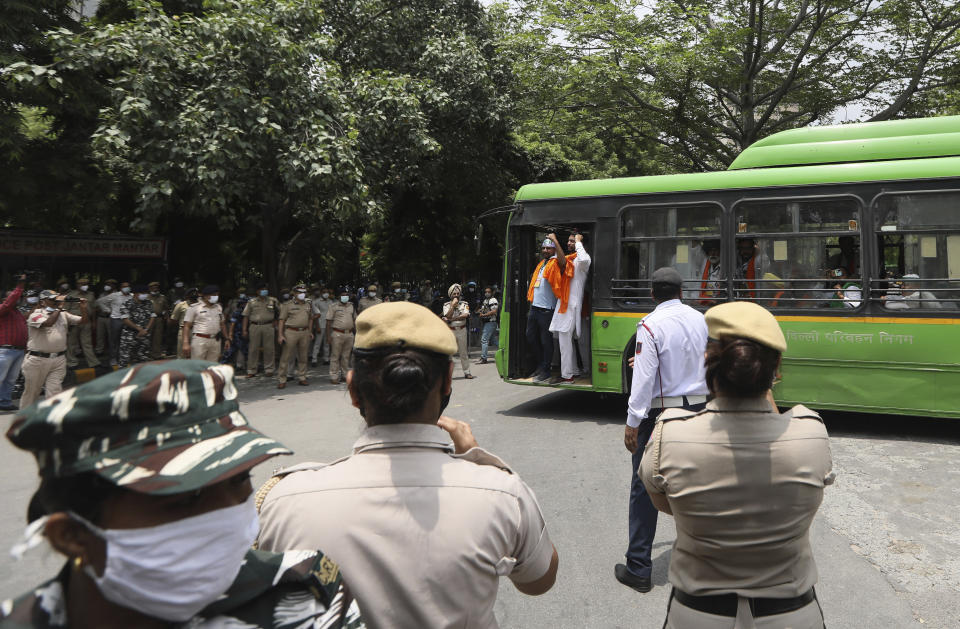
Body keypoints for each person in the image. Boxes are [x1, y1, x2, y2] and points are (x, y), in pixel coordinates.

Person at [257, 302, 559, 628]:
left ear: (353, 389)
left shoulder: (283, 501)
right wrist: (479, 460)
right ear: (446, 384)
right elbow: (538, 581)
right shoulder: (502, 494)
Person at [3, 360, 364, 628]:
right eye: (186, 496)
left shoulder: (307, 590)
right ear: (71, 536)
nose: (232, 515)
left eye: (239, 480)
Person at [641, 301, 834, 628]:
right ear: (777, 368)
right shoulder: (811, 433)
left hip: (697, 617)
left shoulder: (669, 435)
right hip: (792, 616)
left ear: (709, 362)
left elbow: (664, 502)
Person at [616, 267, 709, 594]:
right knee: (694, 482)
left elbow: (642, 381)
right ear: (681, 292)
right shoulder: (701, 320)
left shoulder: (649, 325)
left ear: (653, 294)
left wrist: (632, 421)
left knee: (645, 484)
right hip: (699, 408)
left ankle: (639, 567)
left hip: (660, 414)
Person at [21, 290, 88, 409]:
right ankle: (23, 422)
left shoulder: (63, 313)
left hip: (58, 359)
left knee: (55, 393)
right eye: (52, 299)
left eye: (56, 299)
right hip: (37, 360)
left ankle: (51, 422)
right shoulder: (35, 314)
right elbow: (48, 323)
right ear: (42, 302)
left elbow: (83, 321)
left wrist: (83, 308)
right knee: (32, 393)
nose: (55, 301)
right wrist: (60, 307)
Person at [526, 234, 572, 382]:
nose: (545, 250)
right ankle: (541, 365)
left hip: (547, 309)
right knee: (531, 337)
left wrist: (555, 241)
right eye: (544, 248)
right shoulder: (542, 263)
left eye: (549, 248)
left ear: (554, 250)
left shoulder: (555, 263)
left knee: (546, 341)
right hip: (535, 308)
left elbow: (563, 260)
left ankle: (546, 370)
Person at [549, 231, 591, 383]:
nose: (569, 243)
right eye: (569, 241)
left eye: (572, 241)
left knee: (565, 342)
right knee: (563, 341)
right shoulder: (569, 260)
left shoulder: (581, 261)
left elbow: (585, 259)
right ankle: (572, 371)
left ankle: (568, 376)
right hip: (564, 304)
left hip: (571, 305)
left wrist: (578, 242)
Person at [277, 284, 312, 389]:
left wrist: (310, 331)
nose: (302, 294)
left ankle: (302, 377)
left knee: (303, 356)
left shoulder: (308, 304)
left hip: (304, 332)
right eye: (300, 292)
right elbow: (281, 320)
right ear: (295, 293)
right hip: (291, 332)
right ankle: (282, 379)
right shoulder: (288, 305)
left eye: (304, 292)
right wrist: (280, 335)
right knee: (286, 356)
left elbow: (311, 318)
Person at [0, 274, 27, 411]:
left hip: (18, 350)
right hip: (5, 350)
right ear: (5, 299)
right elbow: (10, 302)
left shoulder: (18, 313)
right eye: (12, 297)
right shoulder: (2, 309)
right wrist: (20, 286)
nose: (16, 299)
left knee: (10, 380)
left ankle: (4, 403)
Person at [182, 285, 229, 361]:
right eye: (214, 295)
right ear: (205, 296)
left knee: (212, 366)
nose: (216, 297)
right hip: (200, 340)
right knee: (197, 366)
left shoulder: (218, 307)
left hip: (215, 340)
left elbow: (222, 324)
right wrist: (185, 343)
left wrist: (227, 339)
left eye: (217, 295)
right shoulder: (194, 308)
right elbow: (187, 326)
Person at [242, 283, 278, 377]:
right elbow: (246, 316)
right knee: (253, 349)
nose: (264, 291)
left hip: (269, 325)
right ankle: (251, 370)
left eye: (265, 289)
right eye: (261, 289)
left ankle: (269, 369)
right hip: (255, 326)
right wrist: (244, 330)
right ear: (257, 291)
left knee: (269, 349)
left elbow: (281, 312)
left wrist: (276, 321)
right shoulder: (251, 302)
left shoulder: (273, 300)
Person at [118, 284, 155, 368]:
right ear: (135, 293)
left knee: (143, 358)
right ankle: (123, 379)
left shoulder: (149, 303)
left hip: (144, 335)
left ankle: (140, 378)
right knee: (125, 358)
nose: (145, 295)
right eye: (142, 293)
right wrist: (139, 329)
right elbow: (125, 319)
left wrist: (146, 329)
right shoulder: (127, 303)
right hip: (129, 336)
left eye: (146, 293)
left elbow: (152, 316)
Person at [442, 283, 474, 379]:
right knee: (449, 353)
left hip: (462, 329)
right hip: (451, 331)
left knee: (463, 352)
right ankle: (448, 374)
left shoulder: (464, 304)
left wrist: (452, 319)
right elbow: (447, 315)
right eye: (454, 294)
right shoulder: (446, 305)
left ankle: (467, 372)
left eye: (457, 293)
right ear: (450, 295)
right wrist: (453, 306)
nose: (456, 295)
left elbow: (465, 315)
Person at [65, 276, 98, 368]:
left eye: (86, 284)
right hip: (74, 321)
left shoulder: (91, 295)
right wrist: (67, 323)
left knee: (87, 342)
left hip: (87, 321)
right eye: (82, 284)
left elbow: (94, 309)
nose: (84, 286)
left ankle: (93, 362)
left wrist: (94, 322)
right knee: (72, 343)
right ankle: (71, 362)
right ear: (77, 285)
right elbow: (66, 309)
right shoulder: (71, 295)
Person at [325, 288, 356, 385]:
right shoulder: (333, 306)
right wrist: (328, 336)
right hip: (337, 333)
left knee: (346, 356)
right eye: (343, 295)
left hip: (349, 334)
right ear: (339, 296)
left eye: (346, 295)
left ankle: (344, 375)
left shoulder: (352, 306)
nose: (345, 297)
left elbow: (355, 320)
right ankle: (334, 376)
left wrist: (356, 334)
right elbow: (328, 322)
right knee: (335, 355)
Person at [103, 281, 132, 366]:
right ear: (121, 288)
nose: (126, 288)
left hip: (128, 320)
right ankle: (113, 358)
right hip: (116, 319)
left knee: (126, 340)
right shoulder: (114, 295)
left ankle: (124, 357)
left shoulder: (132, 296)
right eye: (124, 286)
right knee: (114, 340)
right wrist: (109, 311)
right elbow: (101, 302)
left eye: (128, 286)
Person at [169, 287, 198, 359]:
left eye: (195, 294)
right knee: (182, 354)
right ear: (187, 296)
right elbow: (174, 319)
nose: (194, 295)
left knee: (195, 354)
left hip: (197, 331)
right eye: (191, 294)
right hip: (183, 330)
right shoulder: (181, 305)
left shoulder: (201, 305)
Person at [144, 281, 168, 359]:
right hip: (149, 319)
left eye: (156, 287)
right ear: (150, 288)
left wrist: (166, 316)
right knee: (148, 336)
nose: (155, 289)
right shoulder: (146, 297)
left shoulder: (162, 297)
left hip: (159, 319)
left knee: (158, 337)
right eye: (153, 288)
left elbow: (166, 308)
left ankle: (156, 354)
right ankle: (147, 354)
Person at [310, 286, 333, 366]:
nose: (326, 294)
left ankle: (326, 359)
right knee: (318, 343)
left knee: (327, 342)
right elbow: (315, 315)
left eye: (327, 292)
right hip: (321, 324)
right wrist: (317, 326)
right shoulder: (316, 302)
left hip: (329, 325)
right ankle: (314, 359)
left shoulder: (331, 302)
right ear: (321, 293)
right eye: (324, 292)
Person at [477, 286, 499, 365]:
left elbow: (494, 311)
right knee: (493, 340)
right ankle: (506, 350)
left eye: (488, 292)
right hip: (488, 322)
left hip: (491, 322)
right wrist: (479, 311)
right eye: (486, 292)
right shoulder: (486, 300)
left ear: (492, 292)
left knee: (484, 340)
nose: (487, 293)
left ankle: (484, 358)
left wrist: (483, 315)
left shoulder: (493, 300)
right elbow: (484, 309)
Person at [697, 240, 724, 305]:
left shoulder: (725, 267)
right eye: (711, 251)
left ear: (720, 252)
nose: (713, 253)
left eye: (715, 250)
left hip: (720, 304)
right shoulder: (705, 265)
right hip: (706, 303)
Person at [94, 280, 116, 357]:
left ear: (113, 286)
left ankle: (112, 352)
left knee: (112, 336)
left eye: (110, 284)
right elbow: (96, 306)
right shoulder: (102, 295)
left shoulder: (117, 295)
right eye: (106, 284)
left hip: (111, 318)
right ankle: (99, 351)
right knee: (100, 336)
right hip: (101, 317)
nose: (107, 286)